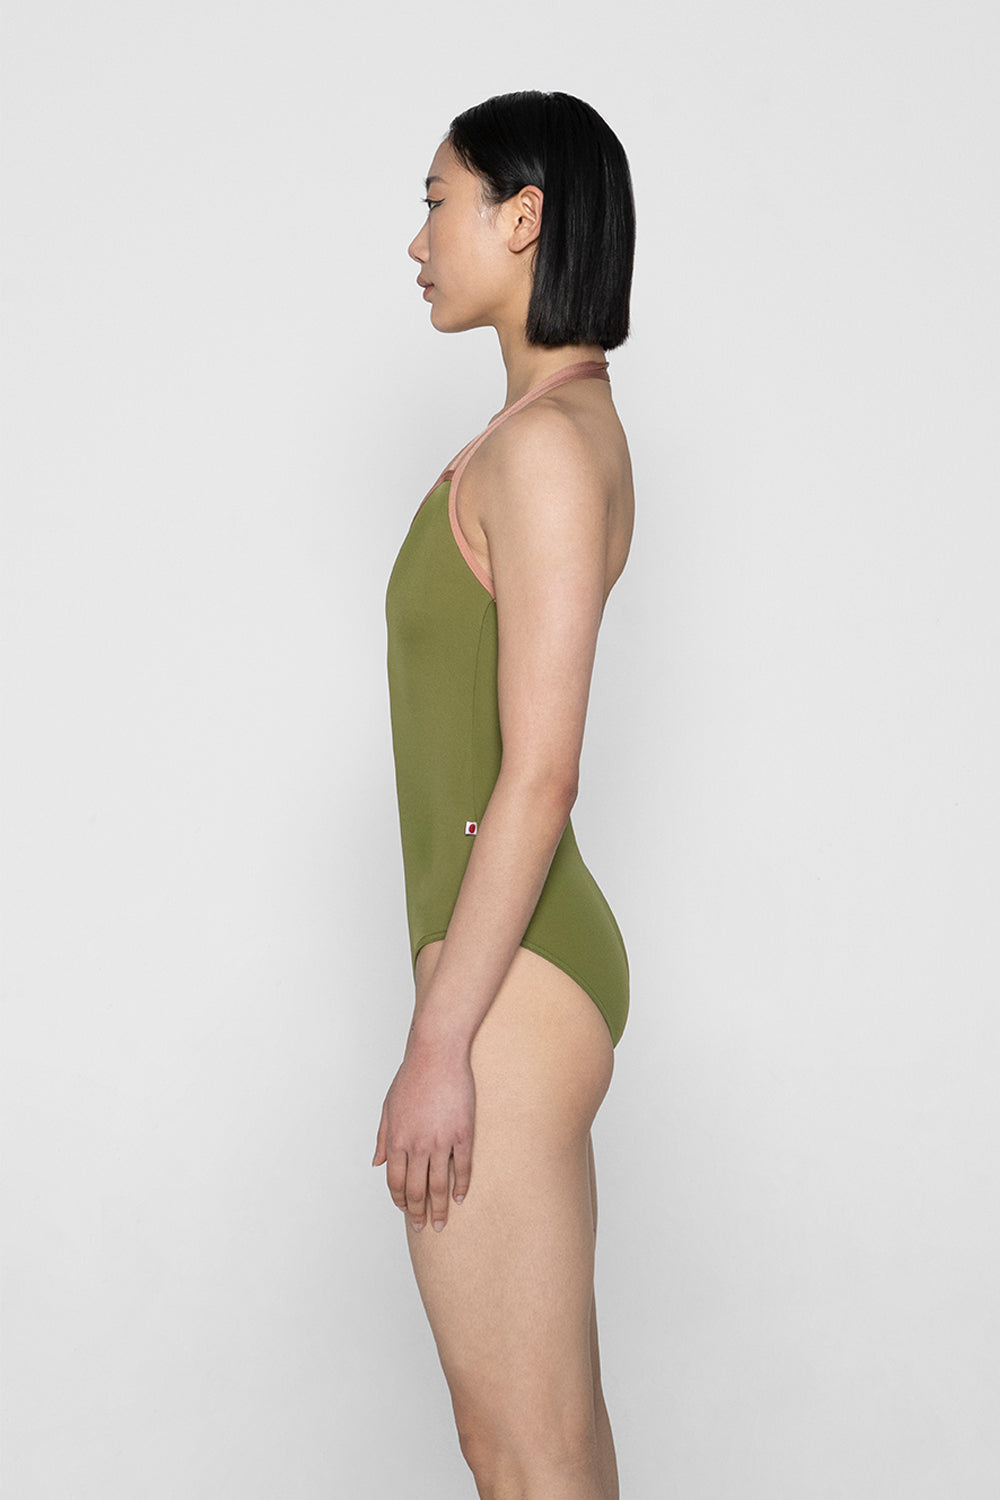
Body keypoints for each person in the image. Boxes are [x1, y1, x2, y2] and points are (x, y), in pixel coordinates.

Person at [372, 90, 636, 1500]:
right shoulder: (546, 430)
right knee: (562, 1453)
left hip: (507, 981)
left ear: (523, 216)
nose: (418, 242)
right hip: (519, 966)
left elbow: (540, 768)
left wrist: (439, 1044)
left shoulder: (543, 449)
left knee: (522, 1461)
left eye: (437, 202)